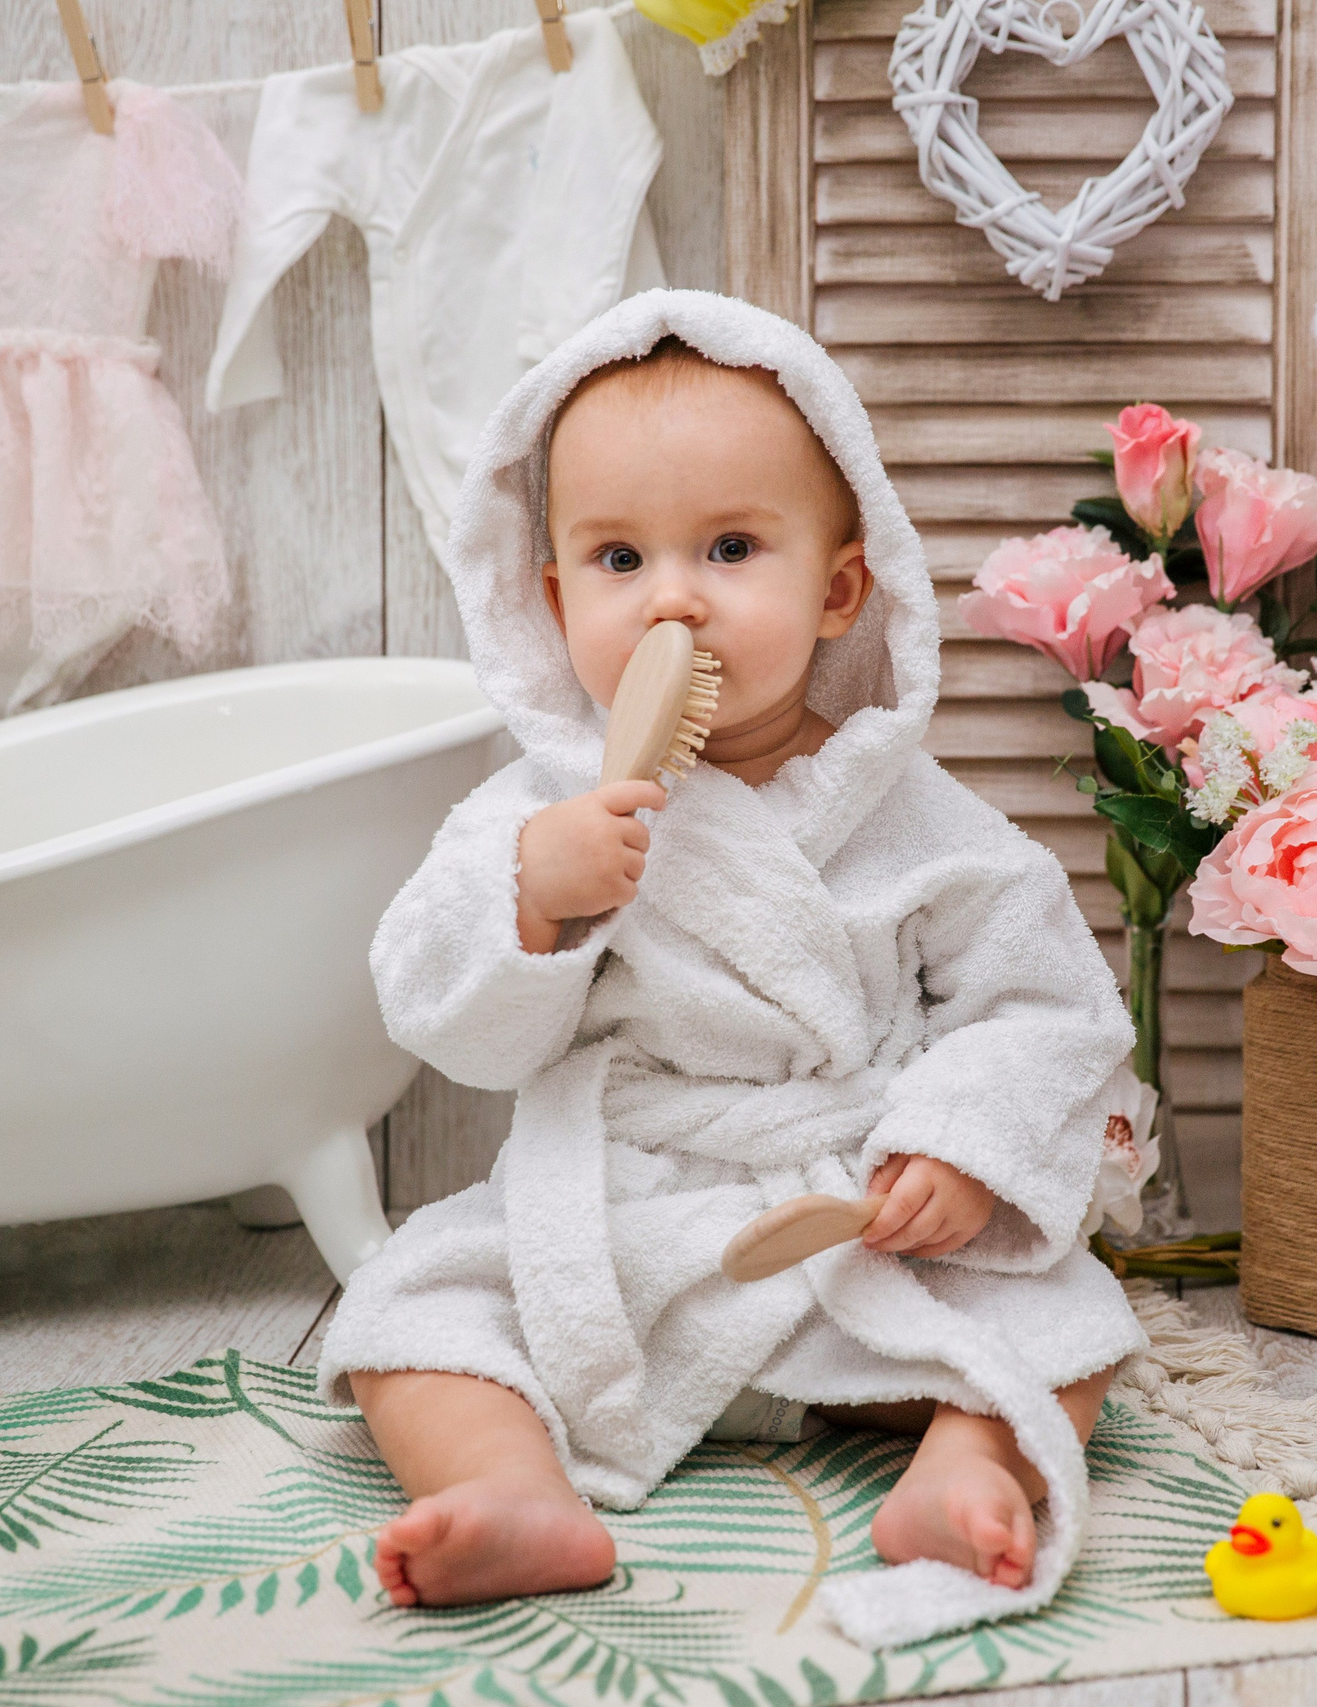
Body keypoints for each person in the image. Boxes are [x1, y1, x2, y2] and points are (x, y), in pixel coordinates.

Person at [323, 292, 1149, 1646]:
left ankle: (962, 1469)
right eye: (615, 557)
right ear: (551, 598)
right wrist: (531, 901)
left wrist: (957, 1152)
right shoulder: (533, 809)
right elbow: (440, 1012)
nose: (673, 596)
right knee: (407, 1311)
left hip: (850, 1221)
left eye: (727, 546)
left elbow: (1042, 1004)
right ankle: (509, 1486)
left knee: (1072, 1322)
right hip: (615, 1218)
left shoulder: (915, 817)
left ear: (838, 587)